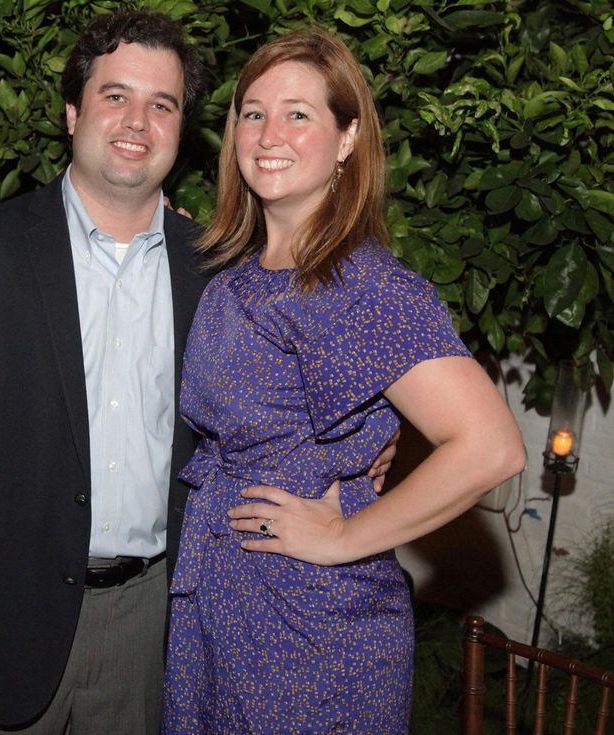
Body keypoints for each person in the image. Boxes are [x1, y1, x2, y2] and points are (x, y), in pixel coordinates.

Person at [0, 12, 395, 733]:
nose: (137, 121)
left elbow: (277, 407)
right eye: (115, 96)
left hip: (155, 626)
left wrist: (366, 456)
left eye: (163, 104)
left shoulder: (221, 271)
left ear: (182, 129)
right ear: (71, 112)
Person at [162, 28, 526, 734]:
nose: (269, 132)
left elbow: (490, 447)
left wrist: (346, 535)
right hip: (220, 615)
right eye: (253, 111)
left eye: (299, 113)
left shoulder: (360, 285)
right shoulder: (238, 279)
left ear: (348, 138)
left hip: (314, 632)